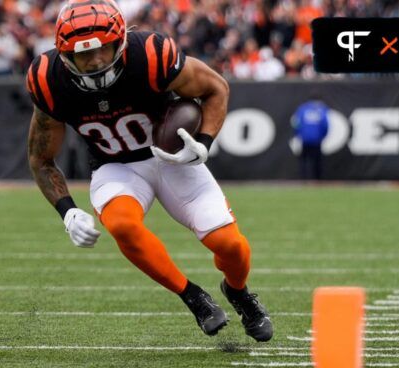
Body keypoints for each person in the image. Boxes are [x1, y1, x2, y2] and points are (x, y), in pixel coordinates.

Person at [25, 0, 272, 341]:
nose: (95, 60)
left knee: (231, 246)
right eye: (84, 54)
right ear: (65, 55)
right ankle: (193, 297)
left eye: (103, 48)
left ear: (120, 41)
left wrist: (203, 142)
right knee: (122, 224)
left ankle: (239, 292)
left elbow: (216, 87)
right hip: (116, 166)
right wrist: (66, 212)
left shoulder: (150, 55)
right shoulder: (48, 80)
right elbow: (41, 158)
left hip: (172, 159)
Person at [291, 97, 329, 180]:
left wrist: (298, 135)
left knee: (303, 161)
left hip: (304, 140)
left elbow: (295, 123)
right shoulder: (321, 109)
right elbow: (325, 125)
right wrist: (322, 136)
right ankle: (317, 181)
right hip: (316, 140)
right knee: (317, 162)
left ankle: (303, 180)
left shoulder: (302, 108)